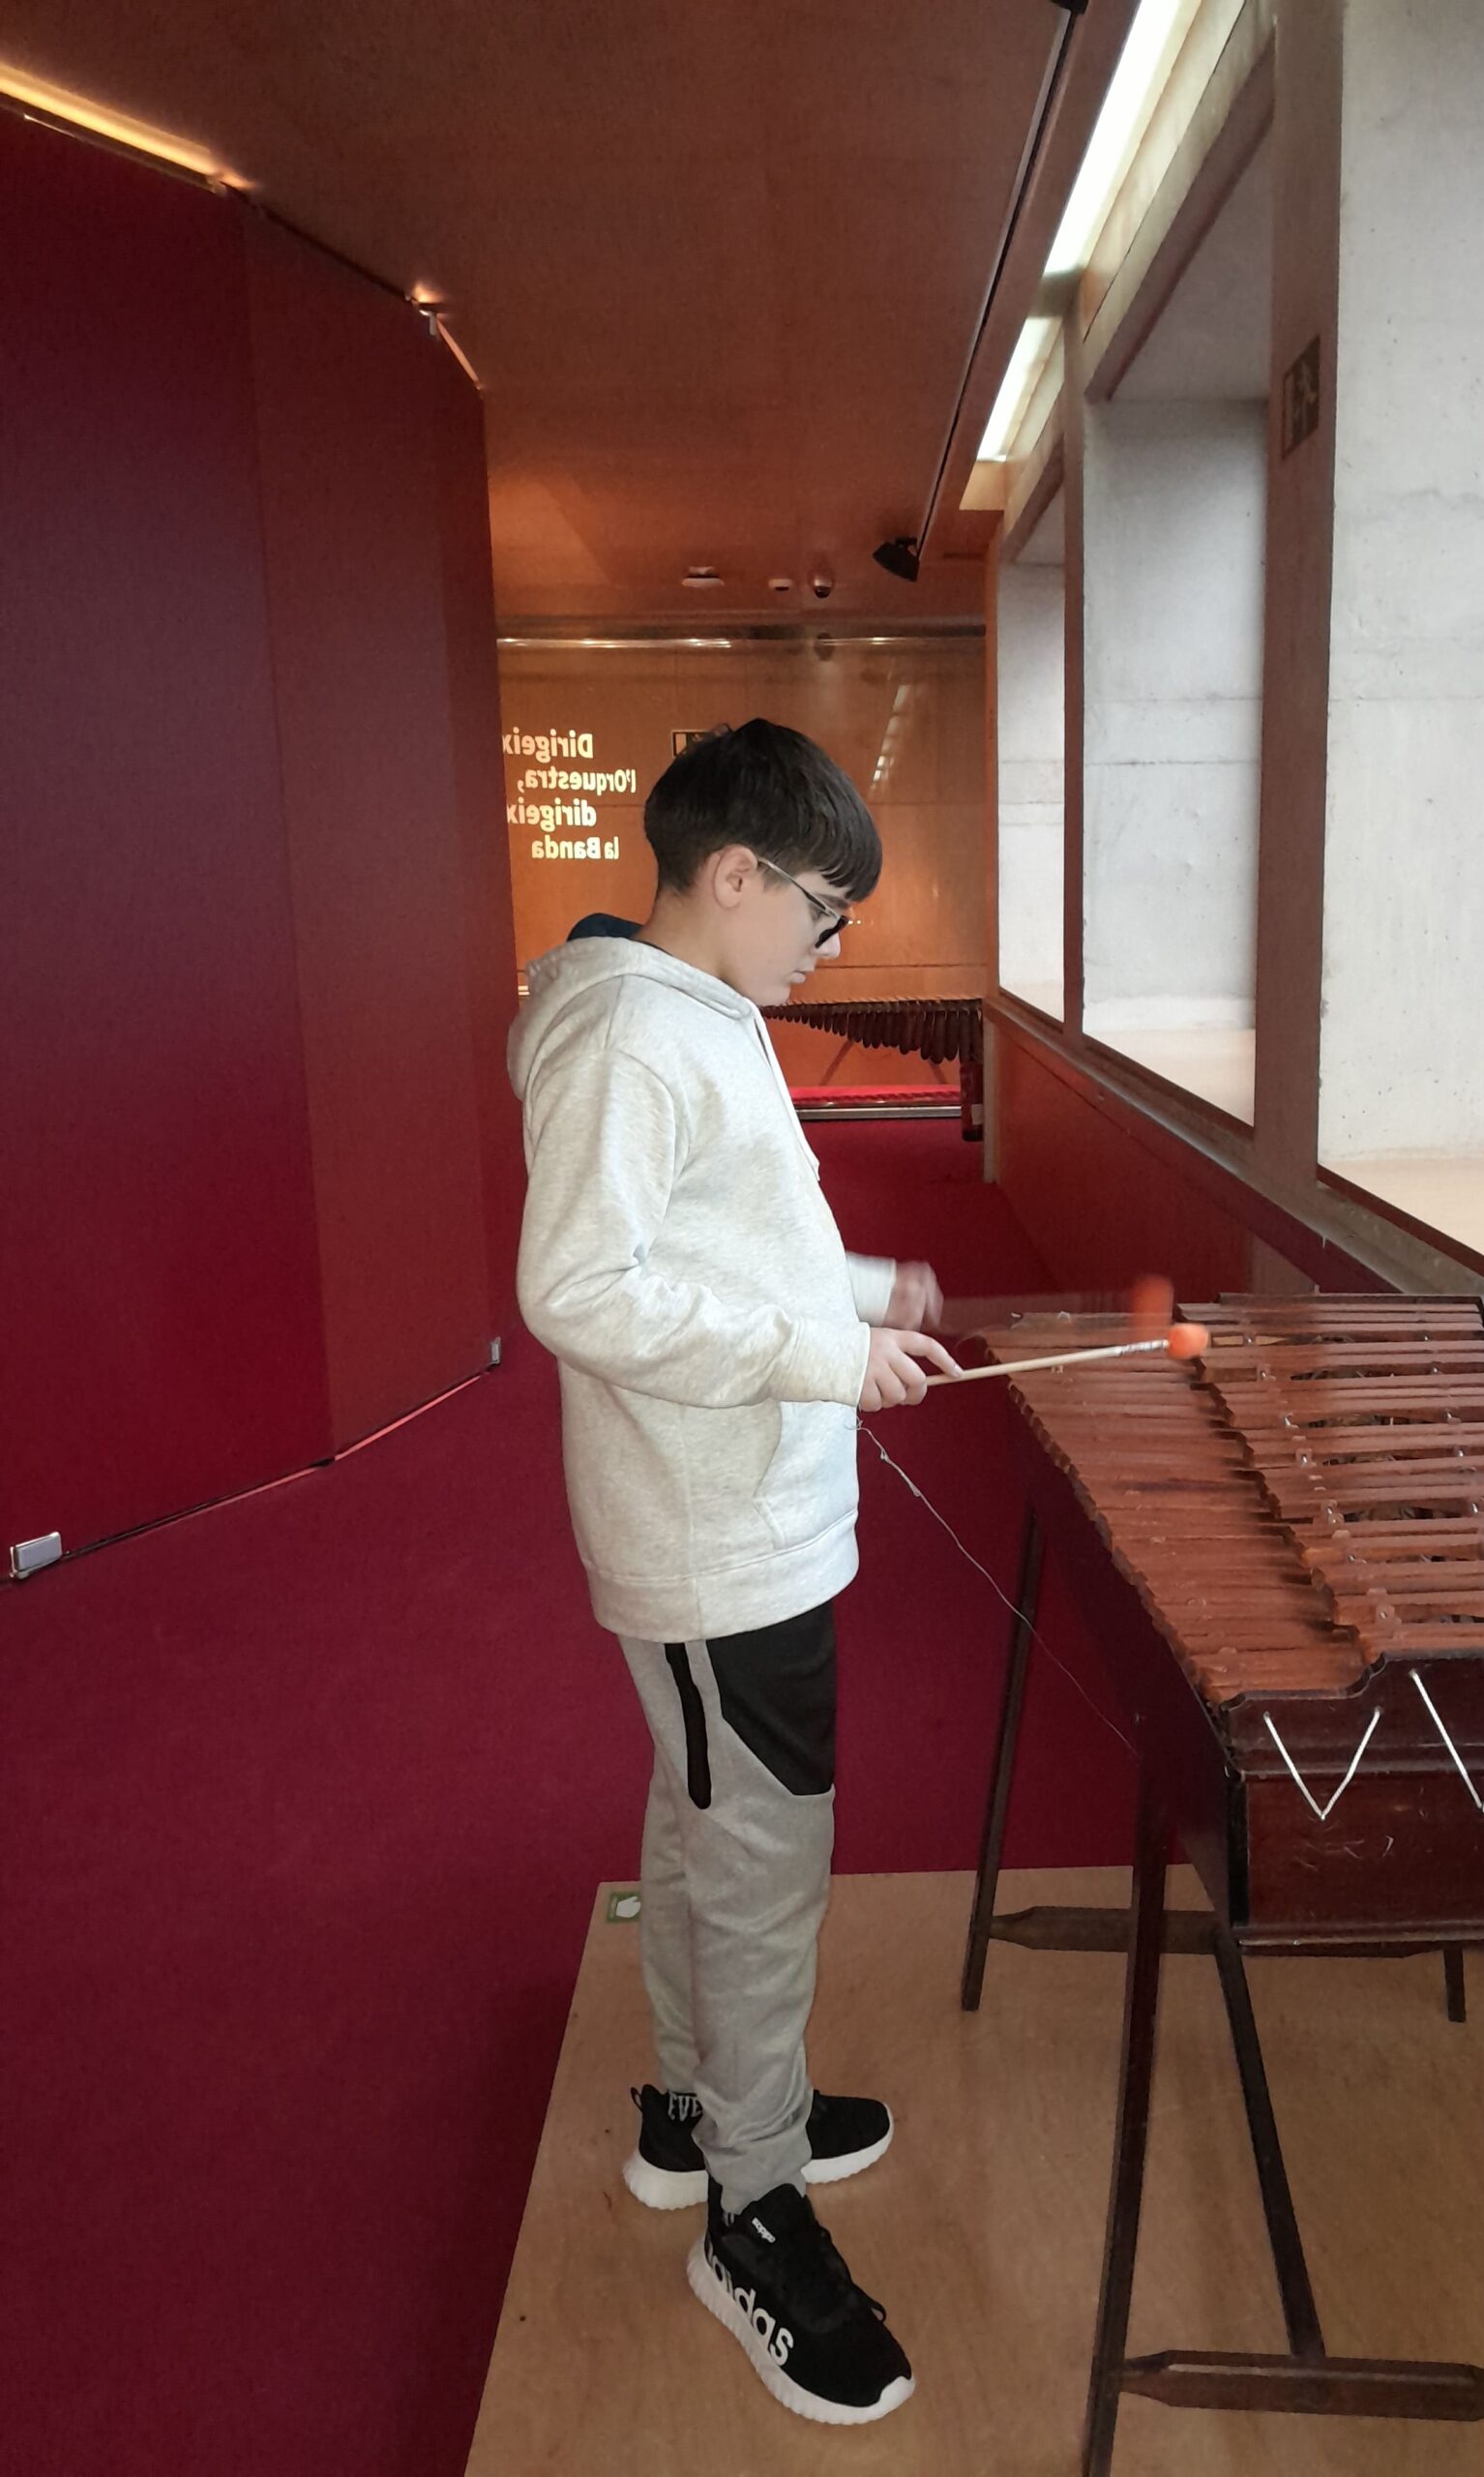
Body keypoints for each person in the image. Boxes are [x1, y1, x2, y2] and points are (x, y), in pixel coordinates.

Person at [507, 719, 958, 2426]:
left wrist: (862, 1293)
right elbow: (579, 1288)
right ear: (736, 874)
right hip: (715, 1538)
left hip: (746, 1515)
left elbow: (726, 1237)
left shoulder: (699, 1009)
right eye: (822, 913)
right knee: (764, 1859)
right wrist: (822, 1357)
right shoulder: (631, 1033)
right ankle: (750, 2210)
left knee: (714, 1819)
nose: (831, 947)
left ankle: (706, 2110)